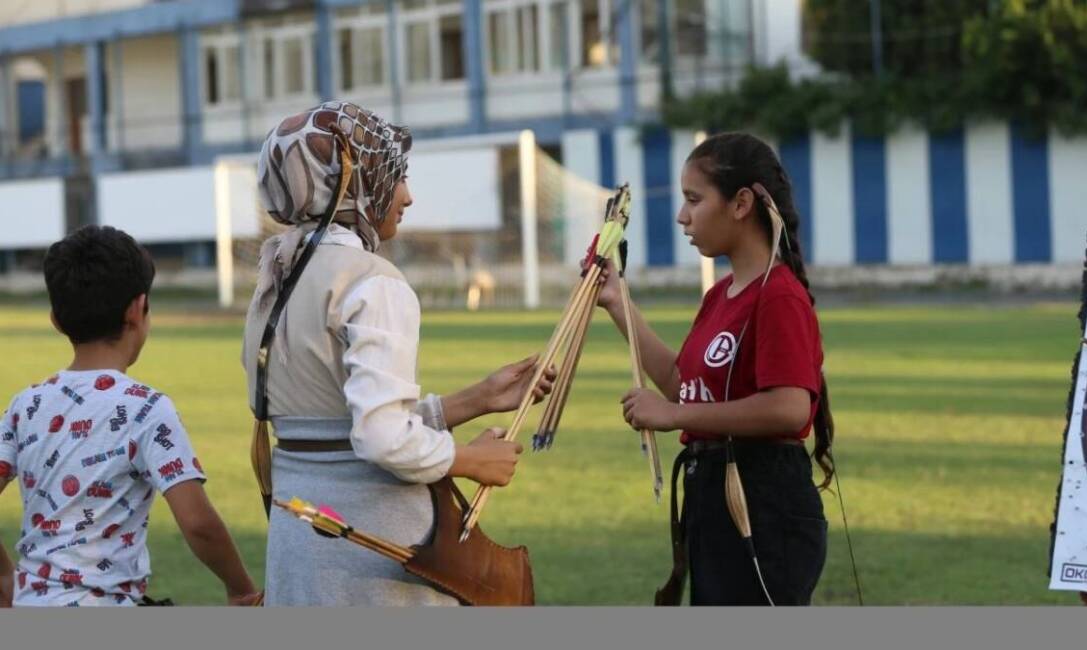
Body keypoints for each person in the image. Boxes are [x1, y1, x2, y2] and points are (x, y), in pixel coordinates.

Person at [242, 101, 554, 606]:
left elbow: (331, 426)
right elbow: (381, 438)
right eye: (392, 175)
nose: (406, 195)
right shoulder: (371, 281)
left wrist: (475, 398)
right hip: (371, 559)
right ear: (353, 186)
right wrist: (470, 458)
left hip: (300, 547)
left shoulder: (276, 277)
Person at [596, 132, 833, 606]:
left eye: (694, 199)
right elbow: (686, 385)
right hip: (714, 497)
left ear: (741, 202)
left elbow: (789, 408)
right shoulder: (719, 296)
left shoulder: (778, 295)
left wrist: (673, 416)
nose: (683, 215)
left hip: (764, 502)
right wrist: (616, 301)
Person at [0, 225, 259, 607]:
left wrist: (7, 576)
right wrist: (241, 587)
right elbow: (198, 524)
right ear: (138, 309)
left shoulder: (26, 405)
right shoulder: (146, 408)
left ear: (56, 319)